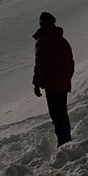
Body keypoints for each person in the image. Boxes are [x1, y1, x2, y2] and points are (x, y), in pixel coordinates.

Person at [32, 11, 74, 146]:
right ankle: (66, 140)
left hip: (51, 83)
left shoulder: (43, 40)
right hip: (62, 82)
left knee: (56, 114)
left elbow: (40, 63)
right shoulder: (62, 40)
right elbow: (70, 62)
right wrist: (67, 77)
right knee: (62, 112)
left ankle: (63, 142)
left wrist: (37, 83)